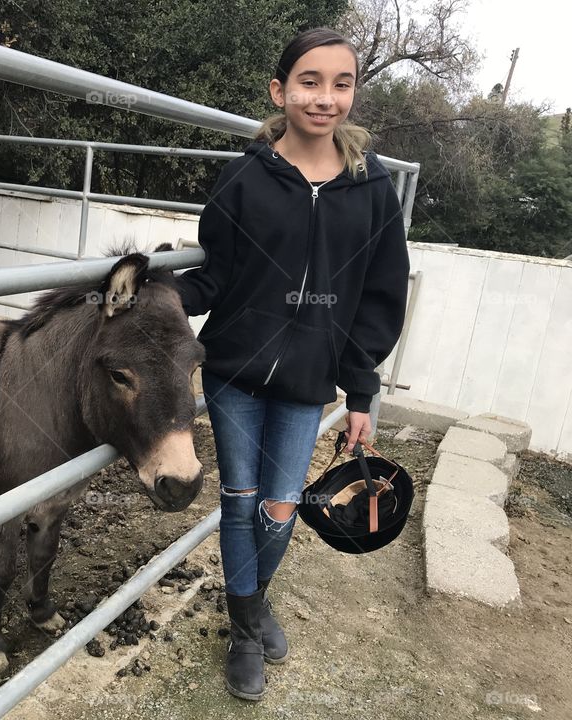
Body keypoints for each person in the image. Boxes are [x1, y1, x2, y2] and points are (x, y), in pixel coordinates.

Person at [174, 27, 411, 701]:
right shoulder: (244, 176)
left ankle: (248, 606)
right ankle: (246, 633)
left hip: (311, 382)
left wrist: (361, 391)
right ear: (281, 91)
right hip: (234, 375)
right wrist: (159, 294)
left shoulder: (371, 188)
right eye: (310, 82)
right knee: (240, 501)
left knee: (281, 510)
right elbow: (215, 275)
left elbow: (379, 294)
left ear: (353, 93)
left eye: (341, 83)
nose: (326, 98)